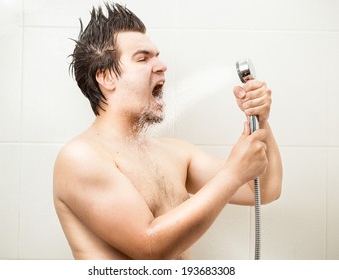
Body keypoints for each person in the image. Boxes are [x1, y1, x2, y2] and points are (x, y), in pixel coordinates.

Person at [53, 3, 282, 260]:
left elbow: (265, 189)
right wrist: (231, 174)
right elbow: (150, 249)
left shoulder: (175, 153)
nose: (162, 65)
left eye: (157, 55)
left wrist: (260, 119)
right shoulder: (80, 158)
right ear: (106, 77)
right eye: (143, 58)